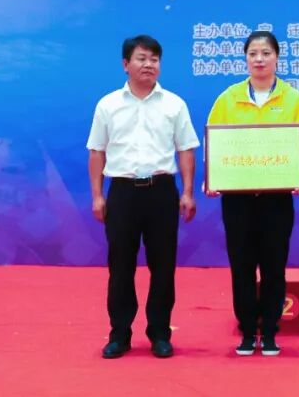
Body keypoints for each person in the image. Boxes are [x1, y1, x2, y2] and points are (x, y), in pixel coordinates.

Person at [87, 35, 199, 359]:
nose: (149, 64)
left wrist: (187, 193)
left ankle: (160, 333)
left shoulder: (174, 104)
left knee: (163, 267)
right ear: (126, 64)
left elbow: (185, 149)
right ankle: (119, 334)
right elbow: (97, 151)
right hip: (122, 192)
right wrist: (97, 196)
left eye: (154, 59)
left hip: (161, 192)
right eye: (141, 58)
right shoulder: (108, 105)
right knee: (120, 267)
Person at [206, 31, 299, 357]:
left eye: (266, 52)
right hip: (238, 199)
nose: (259, 59)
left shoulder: (293, 99)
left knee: (273, 266)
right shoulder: (229, 98)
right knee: (241, 265)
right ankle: (246, 330)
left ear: (277, 57)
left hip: (276, 199)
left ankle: (269, 332)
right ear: (245, 58)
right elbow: (214, 144)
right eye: (253, 53)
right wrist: (213, 178)